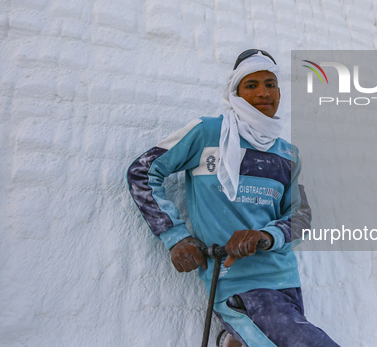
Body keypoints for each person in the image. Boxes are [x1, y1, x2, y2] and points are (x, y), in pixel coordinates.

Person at [127, 50, 339, 347]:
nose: (263, 92)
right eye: (251, 85)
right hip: (239, 284)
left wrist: (265, 235)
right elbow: (143, 171)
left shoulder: (287, 154)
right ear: (235, 92)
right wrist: (175, 237)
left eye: (270, 83)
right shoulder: (207, 132)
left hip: (285, 281)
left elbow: (300, 216)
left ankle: (235, 341)